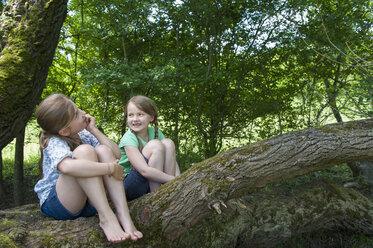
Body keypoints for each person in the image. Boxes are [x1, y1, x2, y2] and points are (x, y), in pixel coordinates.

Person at [34, 93, 142, 243]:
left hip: (89, 202)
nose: (84, 113)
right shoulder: (53, 141)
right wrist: (109, 168)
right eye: (78, 114)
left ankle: (123, 215)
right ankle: (106, 217)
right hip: (60, 204)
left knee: (103, 150)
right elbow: (66, 167)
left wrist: (94, 130)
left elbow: (116, 153)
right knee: (85, 151)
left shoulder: (83, 133)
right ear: (65, 131)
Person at [119, 95, 180, 201]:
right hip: (131, 185)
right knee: (155, 145)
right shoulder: (128, 138)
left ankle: (170, 191)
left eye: (140, 114)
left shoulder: (155, 133)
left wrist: (180, 178)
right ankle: (157, 197)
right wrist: (174, 180)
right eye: (131, 115)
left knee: (168, 143)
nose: (135, 119)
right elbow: (144, 171)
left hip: (152, 180)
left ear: (151, 117)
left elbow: (171, 158)